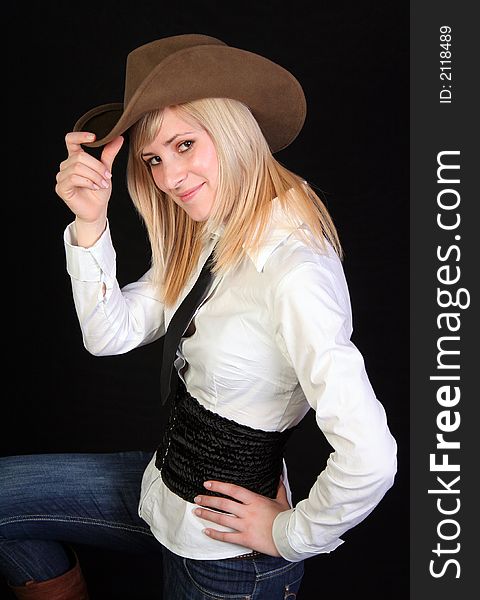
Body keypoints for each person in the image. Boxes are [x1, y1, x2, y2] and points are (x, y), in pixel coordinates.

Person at [0, 34, 397, 599]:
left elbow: (371, 457)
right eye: (154, 159)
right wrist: (90, 224)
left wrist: (291, 532)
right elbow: (108, 334)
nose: (167, 178)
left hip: (227, 561)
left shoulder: (293, 271)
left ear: (233, 130)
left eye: (184, 144)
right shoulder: (215, 236)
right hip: (161, 491)